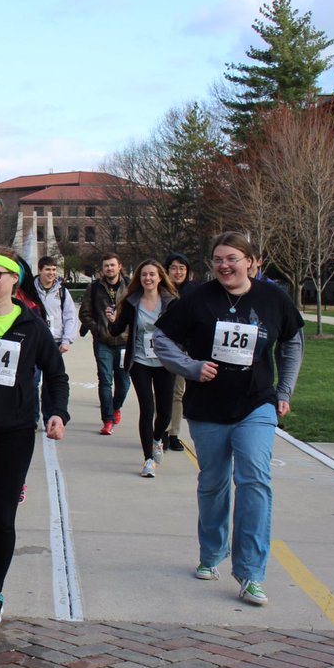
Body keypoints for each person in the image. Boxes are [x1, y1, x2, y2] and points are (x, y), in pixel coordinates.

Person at [153, 231, 304, 607]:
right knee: (213, 483)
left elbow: (292, 343)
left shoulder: (273, 298)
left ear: (251, 261)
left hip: (257, 403)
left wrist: (284, 391)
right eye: (218, 259)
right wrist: (190, 367)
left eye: (232, 258)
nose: (224, 265)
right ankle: (211, 552)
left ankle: (252, 573)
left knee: (254, 479)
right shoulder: (197, 300)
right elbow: (160, 340)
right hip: (208, 407)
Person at [0, 249, 68, 626]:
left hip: (15, 433)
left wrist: (57, 412)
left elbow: (56, 375)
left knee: (2, 515)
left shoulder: (32, 327)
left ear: (13, 280)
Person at [106, 260, 179, 478]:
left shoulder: (171, 302)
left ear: (160, 277)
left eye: (152, 275)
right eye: (144, 275)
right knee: (147, 409)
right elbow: (117, 329)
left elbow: (181, 329)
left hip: (165, 362)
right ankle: (148, 459)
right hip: (140, 362)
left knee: (165, 412)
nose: (148, 278)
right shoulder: (132, 301)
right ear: (140, 278)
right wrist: (112, 320)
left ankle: (157, 439)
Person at [78, 253, 131, 435]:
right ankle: (107, 419)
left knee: (124, 382)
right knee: (105, 380)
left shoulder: (130, 287)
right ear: (102, 269)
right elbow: (84, 313)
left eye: (112, 265)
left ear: (119, 266)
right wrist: (97, 328)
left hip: (125, 341)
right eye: (106, 266)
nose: (109, 268)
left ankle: (116, 407)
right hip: (104, 341)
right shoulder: (94, 288)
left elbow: (137, 311)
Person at [164, 252, 199, 452]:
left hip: (183, 350)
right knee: (161, 393)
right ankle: (160, 429)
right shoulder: (159, 291)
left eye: (182, 268)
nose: (178, 272)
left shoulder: (193, 293)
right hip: (160, 349)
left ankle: (173, 433)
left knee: (177, 393)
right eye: (174, 268)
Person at [35, 255, 78, 354]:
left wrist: (66, 340)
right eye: (48, 269)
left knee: (53, 370)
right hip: (35, 340)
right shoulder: (30, 291)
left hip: (56, 342)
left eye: (54, 269)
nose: (51, 273)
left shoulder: (63, 292)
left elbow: (70, 316)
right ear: (40, 270)